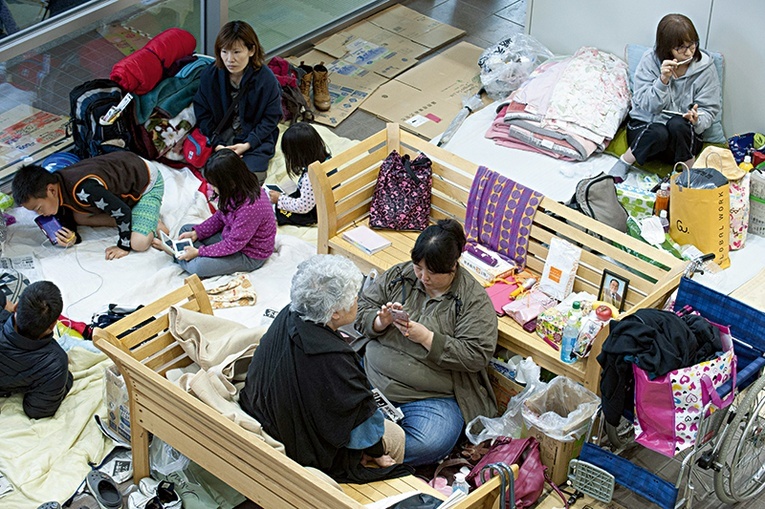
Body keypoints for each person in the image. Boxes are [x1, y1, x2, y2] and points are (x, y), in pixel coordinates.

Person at [239, 255, 411, 483]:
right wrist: (377, 453)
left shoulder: (288, 314)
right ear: (335, 313)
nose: (357, 302)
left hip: (265, 414)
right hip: (298, 449)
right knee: (396, 437)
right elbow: (360, 419)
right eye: (354, 299)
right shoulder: (334, 360)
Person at [355, 219, 498, 466]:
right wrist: (380, 321)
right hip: (371, 377)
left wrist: (427, 338)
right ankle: (373, 447)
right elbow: (361, 307)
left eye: (433, 272)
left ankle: (364, 446)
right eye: (419, 268)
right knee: (320, 388)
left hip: (429, 397)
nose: (423, 277)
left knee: (431, 442)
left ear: (453, 266)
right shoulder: (401, 275)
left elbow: (476, 354)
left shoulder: (473, 300)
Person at [610, 13, 721, 178]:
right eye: (681, 48)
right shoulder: (650, 61)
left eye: (692, 45)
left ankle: (690, 173)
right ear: (667, 47)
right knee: (658, 131)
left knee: (678, 124)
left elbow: (710, 109)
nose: (689, 52)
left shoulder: (705, 68)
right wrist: (662, 81)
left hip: (682, 140)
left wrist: (697, 120)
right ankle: (624, 162)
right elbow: (645, 104)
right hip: (648, 133)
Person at [12, 151, 164, 261]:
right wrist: (72, 237)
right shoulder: (58, 186)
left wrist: (123, 246)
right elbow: (68, 214)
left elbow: (121, 211)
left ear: (51, 190)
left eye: (39, 208)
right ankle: (139, 219)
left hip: (147, 183)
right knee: (79, 217)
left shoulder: (84, 189)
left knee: (138, 243)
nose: (41, 214)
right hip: (124, 177)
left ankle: (152, 222)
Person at [193, 20, 282, 186]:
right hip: (222, 135)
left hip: (253, 136)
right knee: (213, 175)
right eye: (224, 52)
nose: (230, 59)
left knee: (248, 180)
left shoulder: (265, 79)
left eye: (236, 52)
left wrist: (248, 144)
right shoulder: (210, 75)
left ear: (251, 50)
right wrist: (218, 145)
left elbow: (271, 118)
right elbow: (202, 112)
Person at [164, 149, 276, 279]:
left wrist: (199, 252)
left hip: (249, 253)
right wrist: (197, 233)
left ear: (229, 183)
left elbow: (233, 244)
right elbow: (220, 217)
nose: (212, 188)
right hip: (229, 236)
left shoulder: (251, 207)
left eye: (214, 185)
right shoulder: (236, 190)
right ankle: (187, 255)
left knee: (198, 268)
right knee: (186, 230)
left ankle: (179, 255)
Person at [0, 281, 71, 419]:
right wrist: (66, 378)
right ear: (53, 325)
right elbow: (37, 410)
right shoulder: (54, 364)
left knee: (19, 278)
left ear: (16, 306)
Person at [268, 122, 331, 226]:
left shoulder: (310, 177)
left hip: (315, 212)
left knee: (278, 211)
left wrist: (279, 199)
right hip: (324, 201)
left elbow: (303, 207)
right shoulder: (327, 159)